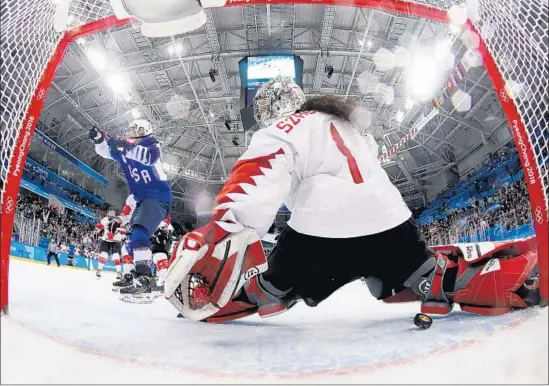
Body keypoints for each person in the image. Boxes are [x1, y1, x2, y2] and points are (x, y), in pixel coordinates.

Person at [164, 76, 541, 322]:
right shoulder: (347, 124)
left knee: (269, 290)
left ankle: (211, 302)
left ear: (274, 109)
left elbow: (256, 179)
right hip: (392, 224)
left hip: (319, 237)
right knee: (433, 277)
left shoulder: (280, 130)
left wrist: (225, 225)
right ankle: (510, 276)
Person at [89, 120, 172, 297]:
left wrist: (124, 146)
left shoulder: (152, 144)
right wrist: (99, 140)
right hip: (142, 199)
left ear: (145, 131)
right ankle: (135, 275)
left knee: (141, 235)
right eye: (130, 129)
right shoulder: (126, 150)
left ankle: (146, 278)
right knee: (132, 241)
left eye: (136, 129)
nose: (131, 132)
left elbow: (149, 157)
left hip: (157, 196)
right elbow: (106, 151)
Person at [95, 207, 125, 279]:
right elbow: (99, 226)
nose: (111, 213)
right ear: (108, 213)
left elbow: (122, 230)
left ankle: (119, 272)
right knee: (104, 254)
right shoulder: (105, 219)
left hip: (116, 240)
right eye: (110, 212)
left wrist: (123, 235)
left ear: (115, 213)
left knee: (116, 256)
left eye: (112, 212)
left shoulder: (119, 220)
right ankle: (99, 270)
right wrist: (97, 230)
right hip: (106, 239)